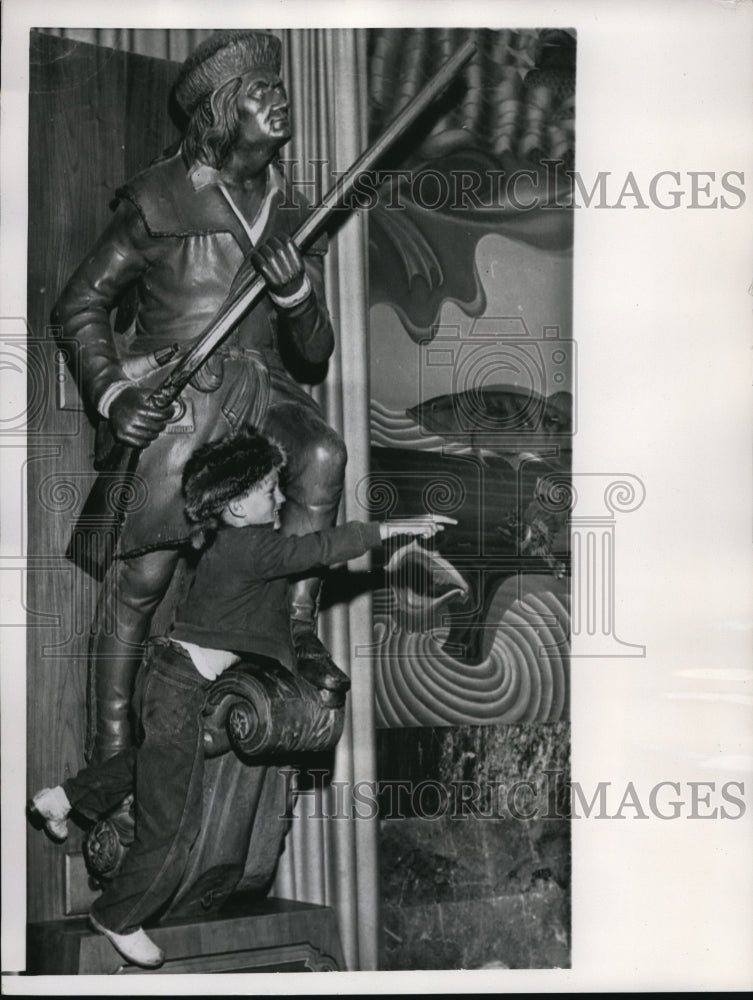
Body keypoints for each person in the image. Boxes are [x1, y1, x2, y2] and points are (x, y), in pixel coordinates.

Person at [29, 428, 455, 969]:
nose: (279, 499)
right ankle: (116, 915)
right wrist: (389, 529)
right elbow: (316, 549)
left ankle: (60, 801)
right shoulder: (252, 547)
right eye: (269, 490)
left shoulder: (235, 544)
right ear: (235, 506)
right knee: (174, 827)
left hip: (175, 680)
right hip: (178, 685)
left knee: (149, 767)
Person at [53, 30, 352, 763]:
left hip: (260, 386)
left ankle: (295, 624)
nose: (278, 101)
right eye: (259, 92)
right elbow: (78, 305)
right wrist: (113, 392)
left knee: (320, 450)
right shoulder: (159, 198)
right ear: (220, 112)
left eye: (279, 89)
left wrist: (296, 296)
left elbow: (312, 354)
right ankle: (112, 753)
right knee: (143, 579)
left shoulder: (294, 208)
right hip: (180, 394)